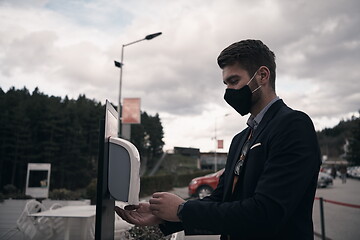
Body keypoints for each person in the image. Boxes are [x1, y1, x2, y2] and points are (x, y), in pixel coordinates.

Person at [115, 39, 321, 240]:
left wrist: (181, 210)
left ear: (262, 75)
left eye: (234, 81)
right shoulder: (240, 139)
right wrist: (162, 215)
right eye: (226, 83)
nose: (228, 91)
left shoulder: (293, 125)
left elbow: (266, 212)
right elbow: (220, 200)